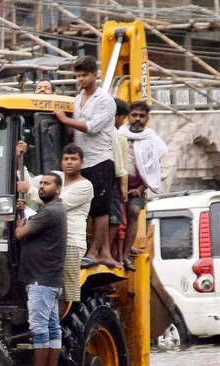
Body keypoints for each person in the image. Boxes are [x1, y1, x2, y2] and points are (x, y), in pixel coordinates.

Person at [54, 55, 119, 269]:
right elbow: (73, 130)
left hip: (100, 159)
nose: (80, 79)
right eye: (78, 76)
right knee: (85, 207)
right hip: (84, 161)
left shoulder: (105, 100)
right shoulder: (77, 98)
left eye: (84, 75)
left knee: (100, 209)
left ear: (95, 75)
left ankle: (94, 252)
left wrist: (65, 119)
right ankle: (88, 249)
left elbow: (92, 127)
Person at [17, 144, 93, 306]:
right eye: (66, 159)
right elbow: (28, 181)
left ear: (82, 163)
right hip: (49, 241)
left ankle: (60, 328)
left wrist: (30, 189)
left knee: (65, 293)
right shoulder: (56, 176)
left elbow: (58, 203)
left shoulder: (85, 186)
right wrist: (18, 158)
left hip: (71, 242)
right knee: (46, 286)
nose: (69, 162)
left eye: (74, 159)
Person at [15, 173, 67, 366]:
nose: (43, 187)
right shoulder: (55, 211)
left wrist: (19, 222)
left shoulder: (49, 212)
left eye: (47, 184)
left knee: (39, 327)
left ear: (58, 190)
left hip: (40, 280)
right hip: (50, 280)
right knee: (53, 328)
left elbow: (19, 233)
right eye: (41, 184)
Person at [119, 101, 168, 270]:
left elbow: (154, 170)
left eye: (142, 116)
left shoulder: (152, 139)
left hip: (137, 188)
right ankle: (117, 254)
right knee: (116, 219)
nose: (138, 119)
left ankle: (125, 256)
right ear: (128, 117)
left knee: (133, 212)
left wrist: (140, 189)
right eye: (134, 115)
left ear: (147, 118)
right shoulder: (120, 134)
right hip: (118, 186)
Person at [111, 98, 130, 262]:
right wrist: (123, 188)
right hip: (114, 186)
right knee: (118, 222)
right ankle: (118, 258)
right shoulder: (119, 138)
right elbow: (121, 167)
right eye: (123, 118)